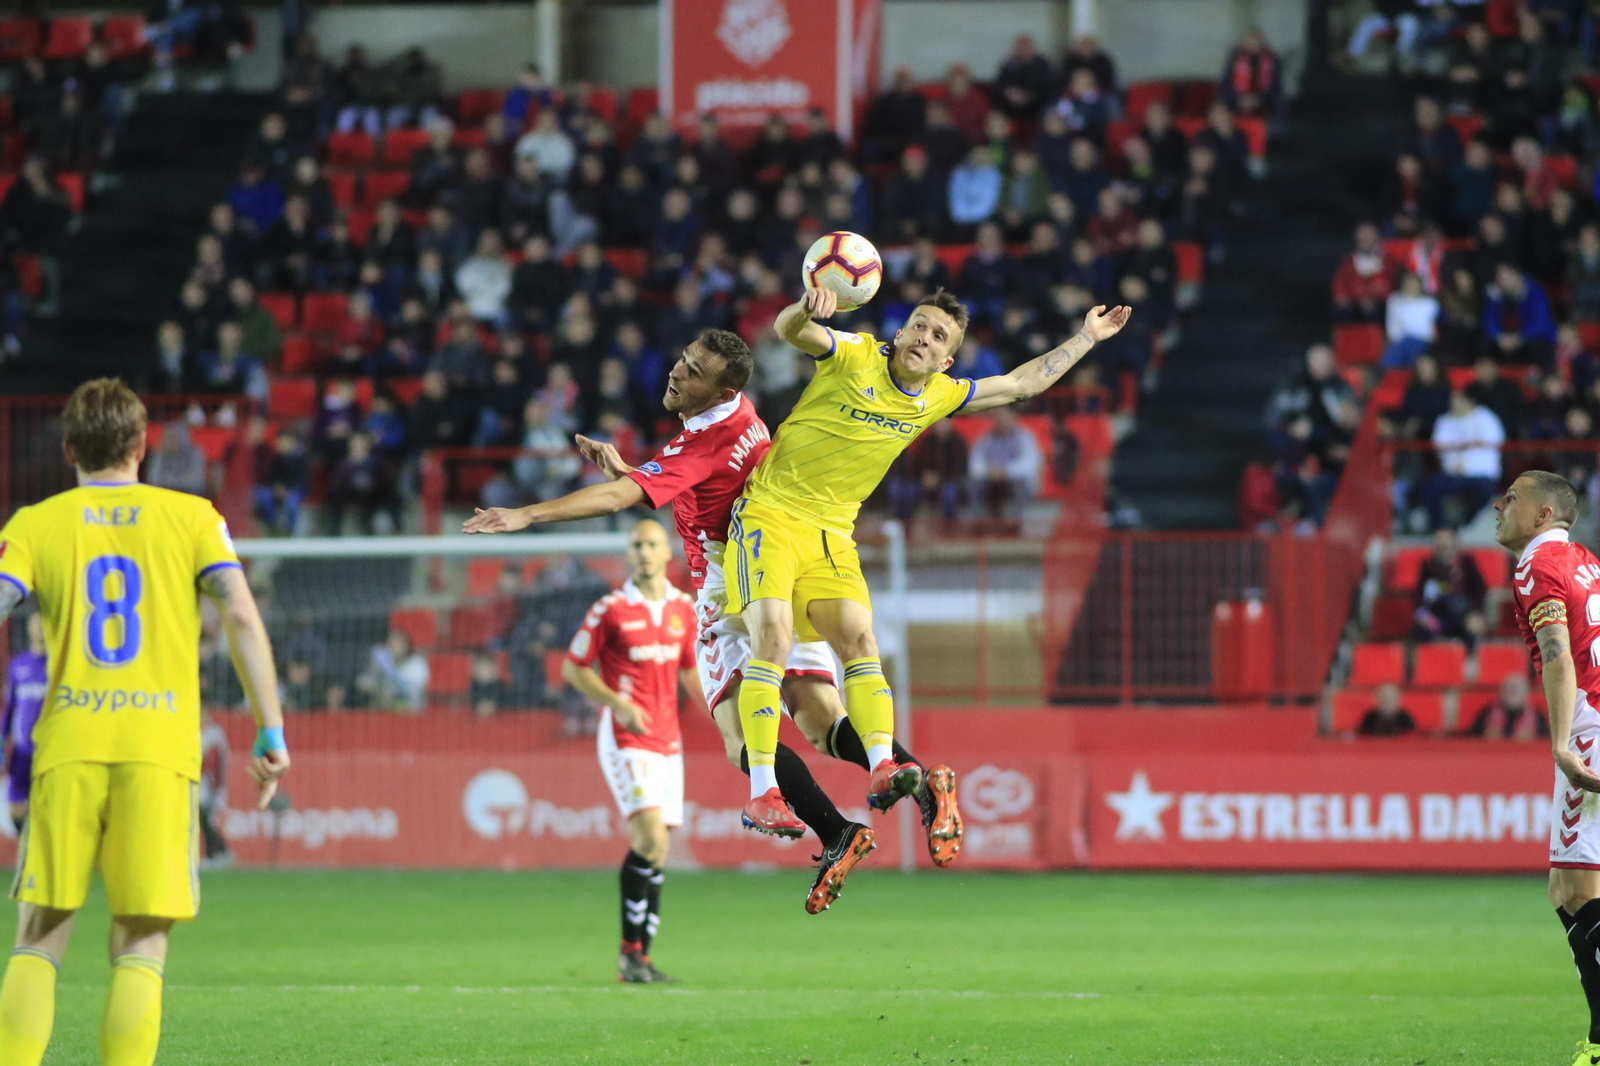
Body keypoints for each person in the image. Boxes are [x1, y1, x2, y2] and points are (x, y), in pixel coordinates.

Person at [466, 330, 945, 910]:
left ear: (724, 387)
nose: (677, 373)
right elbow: (704, 475)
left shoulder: (702, 443)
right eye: (682, 359)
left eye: (693, 372)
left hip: (731, 582)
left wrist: (526, 515)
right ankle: (925, 785)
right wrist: (637, 470)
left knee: (738, 734)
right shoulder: (743, 414)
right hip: (785, 564)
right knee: (821, 721)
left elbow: (626, 497)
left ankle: (835, 830)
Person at [723, 285, 1128, 837]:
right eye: (919, 324)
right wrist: (805, 307)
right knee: (772, 634)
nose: (924, 337)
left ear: (946, 360)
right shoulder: (856, 353)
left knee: (860, 640)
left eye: (939, 336)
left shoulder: (939, 393)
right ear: (901, 330)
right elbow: (790, 332)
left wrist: (1086, 337)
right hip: (770, 514)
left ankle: (885, 766)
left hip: (832, 533)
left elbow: (1020, 383)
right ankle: (763, 793)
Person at [0, 378, 289, 1066]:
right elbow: (242, 615)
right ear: (142, 444)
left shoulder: (35, 524)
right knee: (140, 942)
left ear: (69, 447)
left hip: (69, 744)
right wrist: (270, 730)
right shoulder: (193, 518)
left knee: (38, 937)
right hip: (160, 750)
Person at [1491, 470, 1600, 1066]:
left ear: (1541, 515)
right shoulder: (1585, 561)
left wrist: (1562, 743)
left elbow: (1558, 657)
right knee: (1567, 889)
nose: (1499, 504)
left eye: (1512, 497)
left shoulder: (1538, 565)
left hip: (1587, 730)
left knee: (1580, 895)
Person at [562, 521, 699, 984]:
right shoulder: (611, 609)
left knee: (658, 851)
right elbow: (573, 667)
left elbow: (691, 673)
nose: (643, 552)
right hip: (626, 736)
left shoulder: (684, 609)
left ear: (667, 555)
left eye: (651, 544)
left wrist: (729, 726)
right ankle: (628, 953)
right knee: (651, 838)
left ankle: (639, 957)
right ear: (629, 555)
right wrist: (618, 705)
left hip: (668, 739)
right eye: (636, 545)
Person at [1423, 390, 1505, 530]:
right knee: (1432, 486)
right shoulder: (1444, 421)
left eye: (1458, 399)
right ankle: (1439, 530)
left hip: (1481, 475)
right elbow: (1441, 447)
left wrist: (1465, 457)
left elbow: (1493, 444)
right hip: (1453, 474)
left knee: (1483, 491)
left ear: (1468, 401)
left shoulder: (1485, 417)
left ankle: (1467, 527)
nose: (1454, 403)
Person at [2, 614, 46, 830]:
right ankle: (25, 855)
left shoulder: (60, 664)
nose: (40, 629)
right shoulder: (18, 665)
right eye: (36, 624)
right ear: (29, 629)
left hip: (49, 752)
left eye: (44, 624)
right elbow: (9, 710)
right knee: (16, 810)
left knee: (49, 810)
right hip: (22, 751)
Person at [1462, 673, 1547, 740]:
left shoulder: (1537, 715)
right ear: (1501, 691)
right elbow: (1473, 737)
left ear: (1526, 694)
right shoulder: (1488, 711)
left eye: (1518, 690)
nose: (1513, 692)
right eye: (1509, 689)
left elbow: (1545, 740)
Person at [197, 709, 231, 868]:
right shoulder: (204, 735)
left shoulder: (213, 736)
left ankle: (218, 853)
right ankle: (218, 852)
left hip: (210, 785)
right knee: (204, 819)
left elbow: (214, 762)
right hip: (203, 784)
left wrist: (216, 786)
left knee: (208, 818)